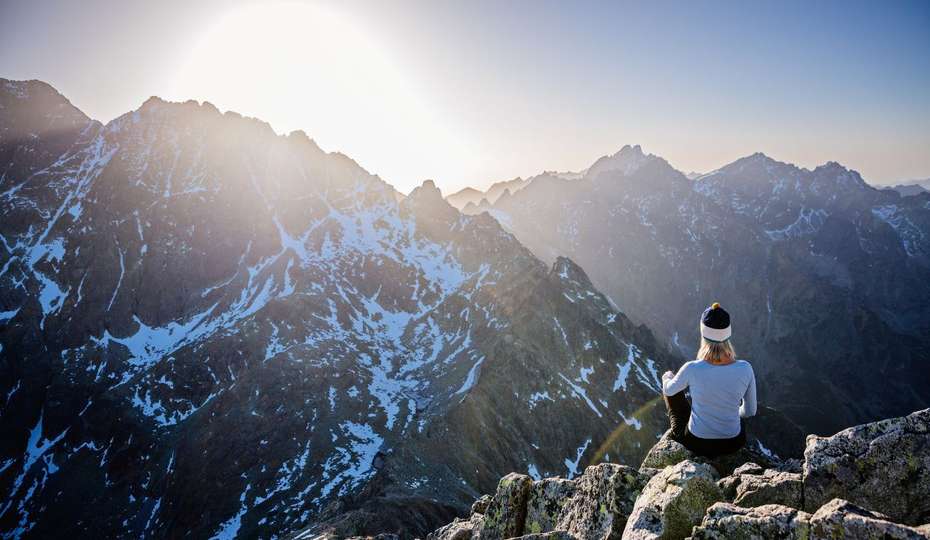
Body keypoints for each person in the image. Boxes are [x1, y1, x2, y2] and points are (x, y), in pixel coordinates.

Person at [661, 302, 756, 457]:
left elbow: (669, 390)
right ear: (728, 334)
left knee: (673, 394)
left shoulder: (692, 368)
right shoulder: (745, 368)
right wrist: (731, 412)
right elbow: (750, 411)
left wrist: (667, 378)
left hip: (697, 443)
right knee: (738, 421)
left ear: (703, 335)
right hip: (733, 443)